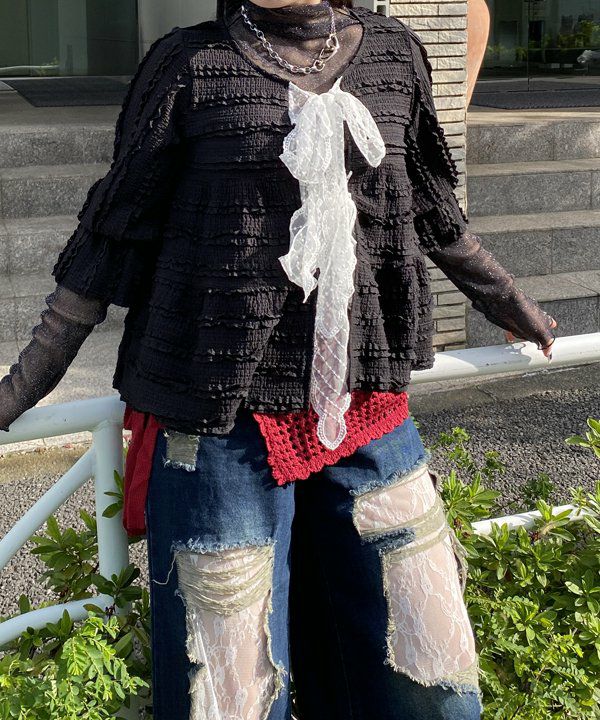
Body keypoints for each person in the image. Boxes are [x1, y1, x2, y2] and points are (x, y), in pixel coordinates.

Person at [0, 1, 557, 718]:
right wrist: (21, 387)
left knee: (429, 674)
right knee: (230, 692)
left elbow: (429, 206)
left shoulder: (394, 53)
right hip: (217, 419)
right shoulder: (190, 64)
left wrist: (508, 301)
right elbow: (113, 236)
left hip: (366, 406)